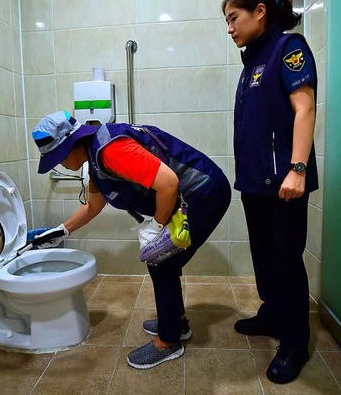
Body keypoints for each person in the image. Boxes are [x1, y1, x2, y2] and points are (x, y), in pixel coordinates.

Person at [31, 111, 231, 369]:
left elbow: (169, 184)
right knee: (162, 260)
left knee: (162, 261)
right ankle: (176, 322)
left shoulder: (110, 151)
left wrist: (156, 227)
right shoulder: (95, 158)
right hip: (191, 198)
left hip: (204, 193)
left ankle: (168, 341)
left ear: (70, 146)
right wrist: (61, 231)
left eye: (57, 158)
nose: (59, 164)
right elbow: (93, 207)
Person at [222, 0, 319, 384]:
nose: (229, 28)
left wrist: (297, 169)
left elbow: (305, 107)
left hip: (284, 184)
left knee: (285, 259)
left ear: (260, 11)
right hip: (255, 185)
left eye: (233, 18)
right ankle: (274, 314)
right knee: (264, 257)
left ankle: (295, 340)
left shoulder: (288, 49)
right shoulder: (251, 61)